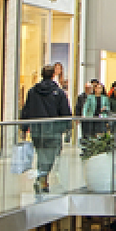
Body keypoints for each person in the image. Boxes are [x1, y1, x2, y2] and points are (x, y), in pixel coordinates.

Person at [20, 64, 72, 195]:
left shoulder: (32, 92)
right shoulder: (58, 93)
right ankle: (43, 178)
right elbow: (65, 111)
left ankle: (42, 178)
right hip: (53, 130)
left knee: (42, 154)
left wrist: (24, 128)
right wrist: (67, 128)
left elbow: (26, 110)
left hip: (37, 130)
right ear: (53, 74)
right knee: (50, 156)